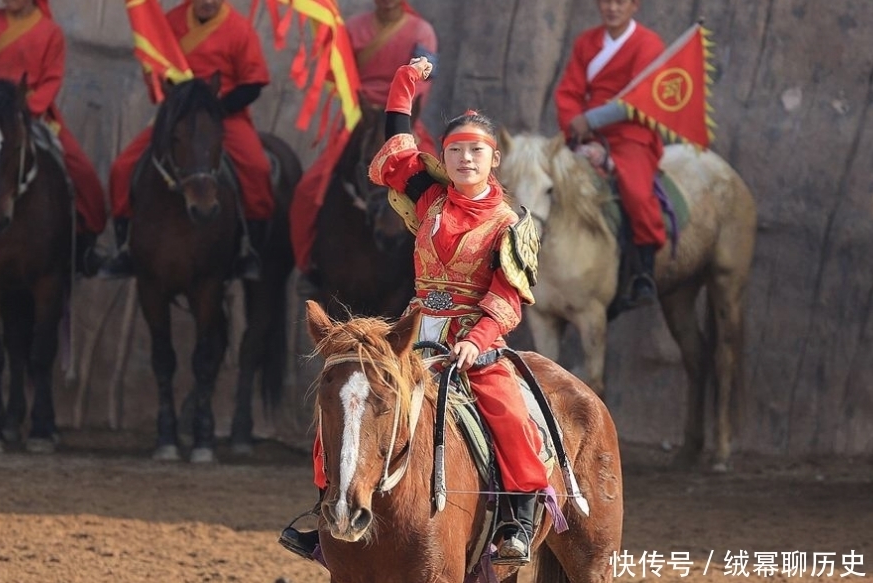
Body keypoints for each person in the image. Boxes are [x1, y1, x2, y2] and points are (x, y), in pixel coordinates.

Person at [279, 57, 548, 566]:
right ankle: (328, 510)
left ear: (494, 159)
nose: (465, 159)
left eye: (476, 151)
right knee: (348, 402)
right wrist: (404, 85)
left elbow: (507, 297)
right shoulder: (431, 201)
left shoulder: (510, 223)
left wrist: (477, 338)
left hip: (474, 338)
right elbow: (398, 151)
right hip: (414, 330)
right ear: (443, 157)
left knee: (505, 407)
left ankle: (518, 515)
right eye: (455, 151)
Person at [0, 0, 108, 282]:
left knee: (84, 174)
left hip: (33, 114)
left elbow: (51, 80)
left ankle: (86, 247)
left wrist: (27, 110)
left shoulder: (51, 33)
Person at [100, 0, 274, 280]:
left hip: (224, 116)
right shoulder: (171, 22)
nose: (207, 2)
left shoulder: (240, 30)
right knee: (122, 167)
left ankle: (249, 249)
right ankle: (124, 247)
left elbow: (253, 83)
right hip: (178, 119)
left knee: (257, 168)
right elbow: (155, 66)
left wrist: (216, 109)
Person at [288, 0, 437, 289]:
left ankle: (438, 273)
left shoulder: (422, 31)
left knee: (441, 191)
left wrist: (398, 110)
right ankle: (309, 268)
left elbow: (423, 81)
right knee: (310, 188)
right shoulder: (354, 28)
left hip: (404, 118)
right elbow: (341, 72)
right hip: (360, 118)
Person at [555, 0, 665, 306]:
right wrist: (577, 126)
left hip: (632, 132)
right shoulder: (586, 42)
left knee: (636, 192)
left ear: (634, 6)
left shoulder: (648, 44)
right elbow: (569, 92)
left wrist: (589, 119)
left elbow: (640, 100)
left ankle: (644, 269)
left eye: (620, 2)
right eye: (606, 1)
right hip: (587, 132)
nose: (612, 8)